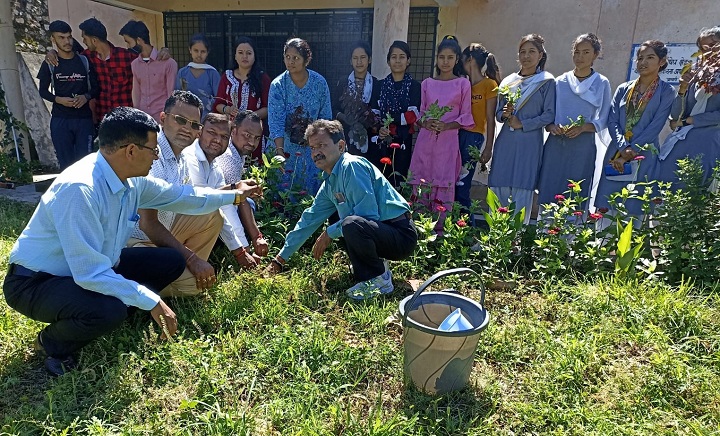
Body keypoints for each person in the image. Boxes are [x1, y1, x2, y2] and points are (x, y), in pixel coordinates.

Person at [3, 107, 258, 376]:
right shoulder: (81, 189)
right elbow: (89, 273)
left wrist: (235, 196)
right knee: (109, 310)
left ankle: (124, 308)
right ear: (131, 151)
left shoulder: (131, 181)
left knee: (169, 260)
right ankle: (52, 343)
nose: (157, 155)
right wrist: (151, 300)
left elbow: (184, 196)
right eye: (153, 149)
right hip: (36, 282)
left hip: (93, 268)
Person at [265, 120, 417, 300]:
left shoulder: (351, 165)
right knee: (338, 219)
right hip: (383, 232)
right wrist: (279, 260)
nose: (316, 152)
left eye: (322, 145)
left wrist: (329, 233)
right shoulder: (330, 182)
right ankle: (373, 270)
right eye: (313, 148)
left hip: (400, 234)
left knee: (349, 223)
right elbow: (309, 220)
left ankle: (378, 280)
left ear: (341, 145)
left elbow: (367, 215)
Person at [127, 91, 224, 296]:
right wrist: (191, 259)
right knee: (192, 287)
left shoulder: (181, 157)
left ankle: (176, 270)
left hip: (162, 232)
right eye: (181, 120)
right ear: (163, 118)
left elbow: (192, 200)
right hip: (135, 241)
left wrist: (234, 192)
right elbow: (148, 223)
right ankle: (140, 287)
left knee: (213, 215)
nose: (187, 129)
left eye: (194, 125)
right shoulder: (153, 155)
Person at [594, 40, 676, 216]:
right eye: (640, 58)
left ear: (661, 61)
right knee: (610, 207)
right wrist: (623, 148)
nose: (643, 62)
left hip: (644, 154)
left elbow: (655, 127)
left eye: (650, 57)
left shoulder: (666, 91)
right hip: (616, 153)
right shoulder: (624, 88)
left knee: (636, 207)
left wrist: (632, 152)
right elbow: (612, 121)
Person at [44, 18, 171, 124]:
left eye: (85, 38)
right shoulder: (86, 58)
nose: (83, 41)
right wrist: (52, 51)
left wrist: (164, 51)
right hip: (102, 120)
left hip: (126, 120)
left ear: (94, 40)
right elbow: (67, 55)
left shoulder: (126, 56)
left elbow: (149, 61)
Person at [183, 112, 268, 270]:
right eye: (212, 133)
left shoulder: (216, 164)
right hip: (173, 225)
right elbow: (209, 202)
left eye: (223, 136)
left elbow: (228, 204)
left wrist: (244, 250)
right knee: (219, 209)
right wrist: (244, 251)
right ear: (200, 132)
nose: (217, 140)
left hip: (195, 217)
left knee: (238, 203)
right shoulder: (197, 158)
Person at [537, 33, 612, 211]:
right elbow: (549, 114)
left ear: (595, 54)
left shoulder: (601, 83)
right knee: (550, 188)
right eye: (576, 52)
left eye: (586, 52)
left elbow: (604, 117)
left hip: (582, 146)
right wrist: (552, 126)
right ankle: (545, 233)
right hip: (556, 144)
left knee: (576, 191)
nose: (580, 57)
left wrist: (583, 128)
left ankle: (571, 237)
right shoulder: (560, 82)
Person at [489, 34, 556, 224]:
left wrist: (523, 124)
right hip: (505, 142)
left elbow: (549, 115)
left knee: (522, 185)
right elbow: (498, 115)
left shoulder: (546, 81)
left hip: (529, 142)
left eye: (531, 52)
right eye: (523, 52)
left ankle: (516, 239)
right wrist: (505, 113)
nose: (526, 56)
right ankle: (497, 235)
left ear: (541, 55)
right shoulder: (508, 82)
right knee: (499, 182)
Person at [409, 36, 474, 224]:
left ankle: (440, 232)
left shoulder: (463, 84)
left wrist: (447, 125)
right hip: (425, 141)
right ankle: (419, 228)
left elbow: (466, 116)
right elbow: (419, 112)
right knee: (420, 182)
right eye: (441, 57)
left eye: (450, 57)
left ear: (456, 59)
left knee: (443, 184)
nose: (445, 62)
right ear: (436, 58)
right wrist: (425, 123)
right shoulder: (427, 83)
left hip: (448, 142)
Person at [654, 27, 720, 189]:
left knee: (697, 193)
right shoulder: (697, 73)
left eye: (712, 46)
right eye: (702, 48)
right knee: (667, 189)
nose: (707, 52)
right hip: (682, 142)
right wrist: (683, 88)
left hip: (708, 143)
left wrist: (690, 120)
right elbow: (676, 117)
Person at [268, 38, 332, 195]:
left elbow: (325, 118)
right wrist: (279, 152)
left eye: (295, 58)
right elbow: (276, 121)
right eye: (287, 57)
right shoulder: (278, 85)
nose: (290, 62)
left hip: (313, 148)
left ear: (306, 59)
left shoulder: (319, 83)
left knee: (311, 195)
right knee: (282, 194)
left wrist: (324, 149)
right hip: (284, 147)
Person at [37, 20, 99, 170]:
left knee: (86, 165)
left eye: (69, 37)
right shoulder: (50, 63)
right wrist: (58, 100)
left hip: (83, 120)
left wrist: (86, 97)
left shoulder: (84, 61)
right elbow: (43, 91)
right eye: (61, 37)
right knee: (66, 167)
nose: (67, 41)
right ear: (53, 39)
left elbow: (96, 88)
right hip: (61, 120)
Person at [214, 110, 269, 268]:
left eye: (256, 138)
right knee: (245, 203)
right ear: (234, 130)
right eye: (247, 135)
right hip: (209, 210)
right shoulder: (229, 158)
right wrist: (246, 248)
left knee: (249, 202)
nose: (252, 142)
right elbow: (234, 202)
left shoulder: (236, 151)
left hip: (219, 203)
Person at [456, 43, 500, 218]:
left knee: (462, 184)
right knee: (452, 183)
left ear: (471, 60)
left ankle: (467, 227)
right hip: (456, 134)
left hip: (473, 137)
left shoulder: (489, 84)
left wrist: (489, 147)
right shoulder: (463, 83)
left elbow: (490, 119)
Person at [213, 36, 271, 161]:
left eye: (249, 53)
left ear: (254, 56)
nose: (245, 56)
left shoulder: (262, 78)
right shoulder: (226, 77)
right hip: (230, 131)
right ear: (235, 55)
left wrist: (249, 118)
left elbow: (268, 108)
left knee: (254, 167)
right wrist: (228, 109)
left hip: (254, 132)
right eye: (240, 53)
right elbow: (217, 104)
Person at [374, 40, 421, 187]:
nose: (398, 61)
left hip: (403, 141)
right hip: (381, 140)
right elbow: (374, 114)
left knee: (399, 181)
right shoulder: (379, 85)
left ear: (408, 61)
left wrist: (387, 118)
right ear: (388, 61)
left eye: (402, 56)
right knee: (380, 180)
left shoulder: (414, 86)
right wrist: (378, 127)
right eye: (394, 57)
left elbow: (412, 116)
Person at [332, 41, 381, 163]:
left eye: (363, 57)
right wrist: (344, 117)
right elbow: (334, 109)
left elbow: (380, 112)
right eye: (355, 58)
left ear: (369, 60)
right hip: (346, 137)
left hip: (370, 141)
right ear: (351, 61)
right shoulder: (343, 83)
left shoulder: (377, 84)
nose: (359, 62)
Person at [122, 20, 178, 122]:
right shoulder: (134, 64)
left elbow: (171, 93)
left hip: (162, 118)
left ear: (138, 40)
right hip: (143, 118)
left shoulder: (168, 63)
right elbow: (136, 92)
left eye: (128, 42)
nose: (128, 47)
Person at [176, 33, 221, 119]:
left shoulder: (212, 73)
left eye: (203, 51)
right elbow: (177, 97)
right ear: (190, 50)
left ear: (208, 52)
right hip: (186, 119)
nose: (199, 54)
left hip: (207, 120)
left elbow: (218, 100)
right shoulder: (182, 72)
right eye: (196, 50)